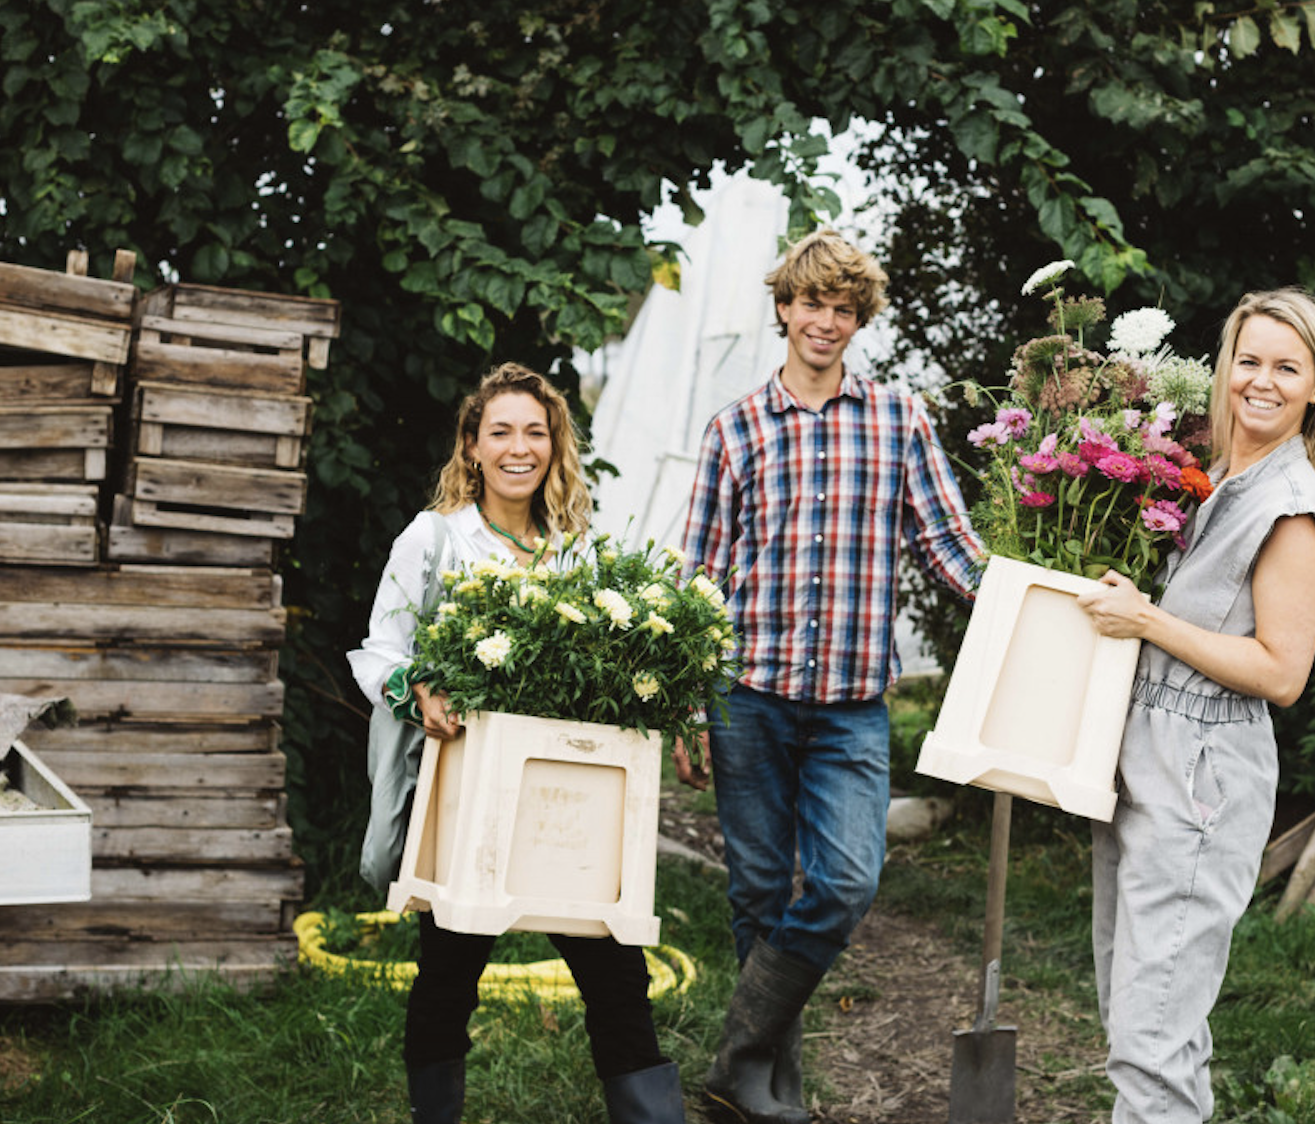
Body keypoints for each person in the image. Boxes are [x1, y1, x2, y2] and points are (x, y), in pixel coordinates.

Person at [676, 229, 988, 1124]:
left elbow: (951, 549)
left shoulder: (899, 419)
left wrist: (1046, 605)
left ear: (859, 321)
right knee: (759, 893)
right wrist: (685, 706)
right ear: (784, 308)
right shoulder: (735, 429)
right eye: (811, 303)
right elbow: (697, 575)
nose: (825, 321)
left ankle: (737, 1059)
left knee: (847, 883)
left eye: (843, 309)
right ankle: (774, 1091)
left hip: (851, 708)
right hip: (750, 697)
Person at [349, 363, 687, 1124]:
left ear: (555, 444)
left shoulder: (580, 553)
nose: (518, 448)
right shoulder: (435, 539)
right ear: (471, 446)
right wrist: (420, 691)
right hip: (469, 804)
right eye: (500, 431)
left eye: (535, 432)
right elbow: (379, 651)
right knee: (449, 974)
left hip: (565, 805)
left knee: (615, 974)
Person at [1076, 288, 1315, 1123]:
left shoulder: (1290, 509)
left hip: (1201, 777)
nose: (1261, 382)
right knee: (1146, 1023)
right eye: (1249, 361)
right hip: (1144, 756)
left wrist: (1149, 619)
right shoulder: (1215, 480)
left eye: (1286, 367)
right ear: (1226, 367)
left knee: (1150, 1041)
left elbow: (1281, 672)